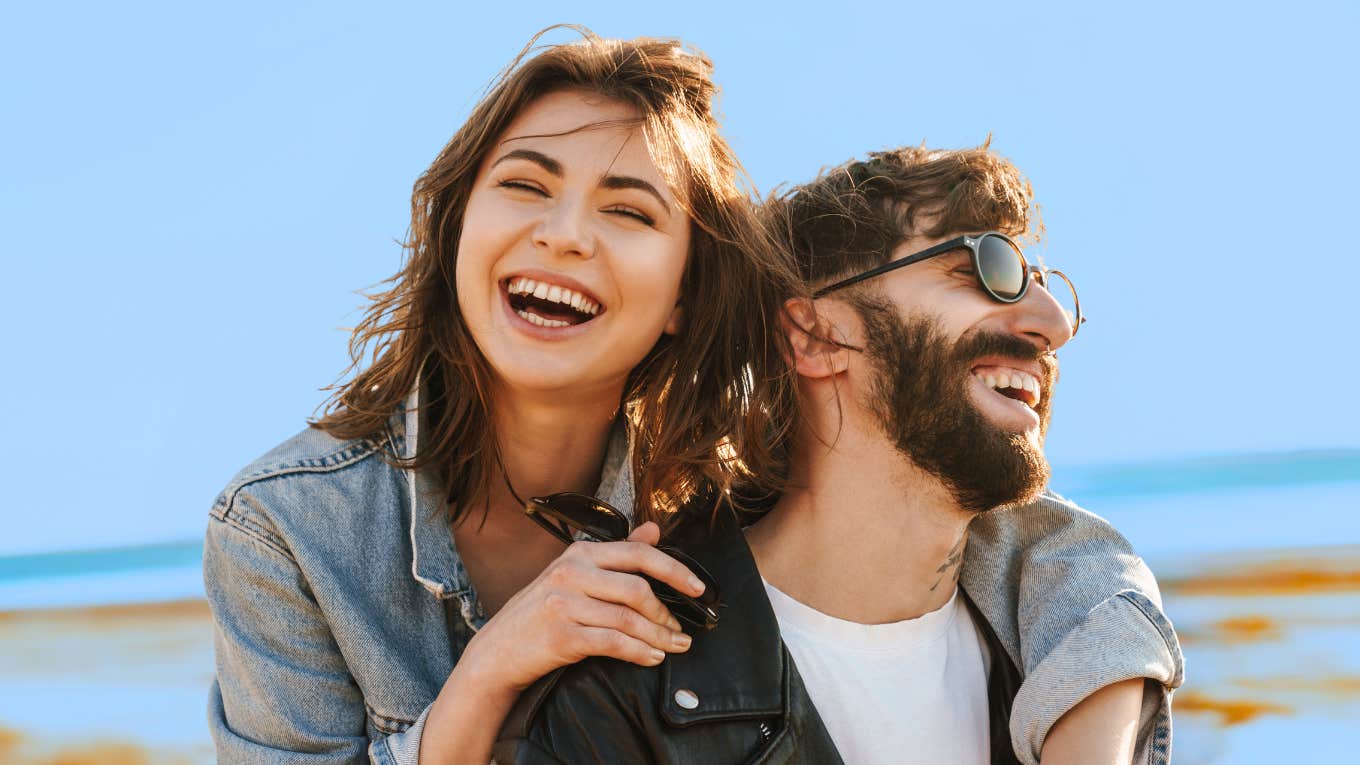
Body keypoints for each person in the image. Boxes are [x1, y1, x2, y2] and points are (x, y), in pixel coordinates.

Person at [205, 30, 1178, 765]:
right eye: (524, 186)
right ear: (458, 224)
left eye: (628, 210)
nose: (566, 235)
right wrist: (494, 667)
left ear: (684, 291)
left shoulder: (736, 462)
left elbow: (1013, 527)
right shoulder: (291, 525)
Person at [492, 146, 1183, 764]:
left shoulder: (1055, 654)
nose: (1053, 324)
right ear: (816, 335)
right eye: (988, 267)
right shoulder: (626, 695)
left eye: (1043, 282)